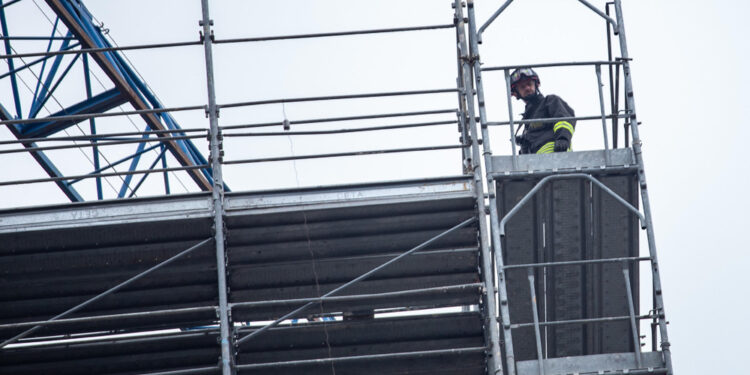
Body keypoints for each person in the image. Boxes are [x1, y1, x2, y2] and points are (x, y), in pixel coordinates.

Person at [510, 68, 576, 154]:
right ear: (516, 93)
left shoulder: (550, 101)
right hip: (538, 163)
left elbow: (564, 119)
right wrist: (524, 141)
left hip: (558, 156)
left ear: (536, 85)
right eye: (522, 87)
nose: (527, 88)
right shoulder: (527, 120)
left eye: (529, 84)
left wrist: (563, 139)